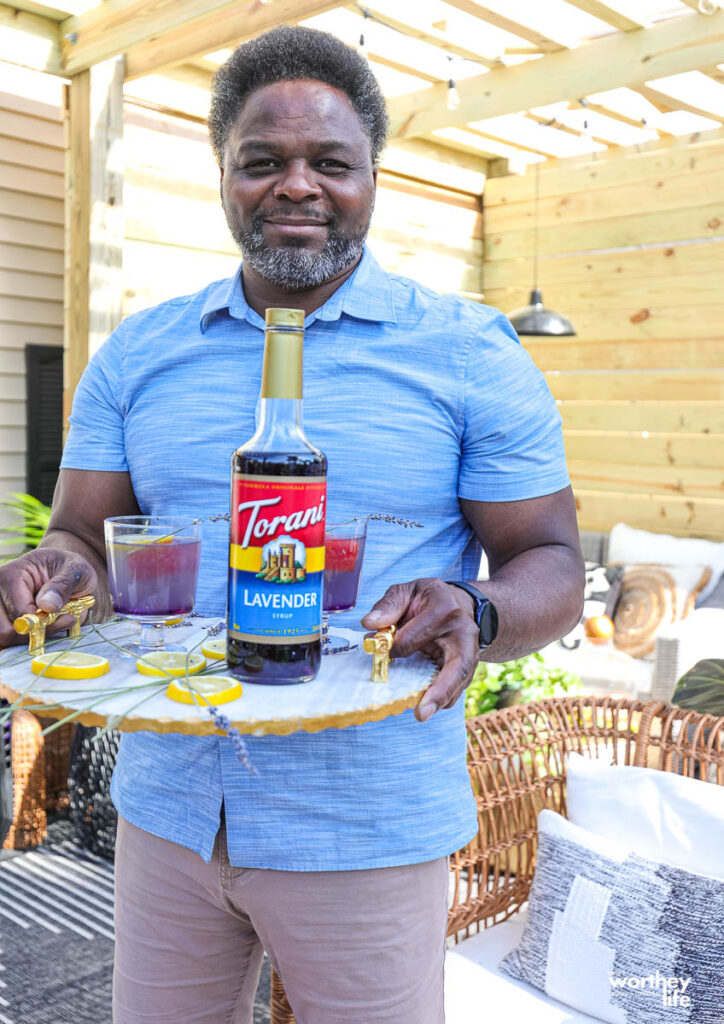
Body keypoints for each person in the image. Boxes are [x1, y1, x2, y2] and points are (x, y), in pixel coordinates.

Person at [0, 26, 584, 1024]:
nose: (296, 186)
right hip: (171, 813)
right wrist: (43, 577)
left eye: (330, 162)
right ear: (225, 174)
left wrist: (477, 610)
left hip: (366, 820)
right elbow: (84, 543)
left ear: (372, 175)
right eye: (262, 161)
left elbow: (551, 562)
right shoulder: (140, 354)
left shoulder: (469, 353)